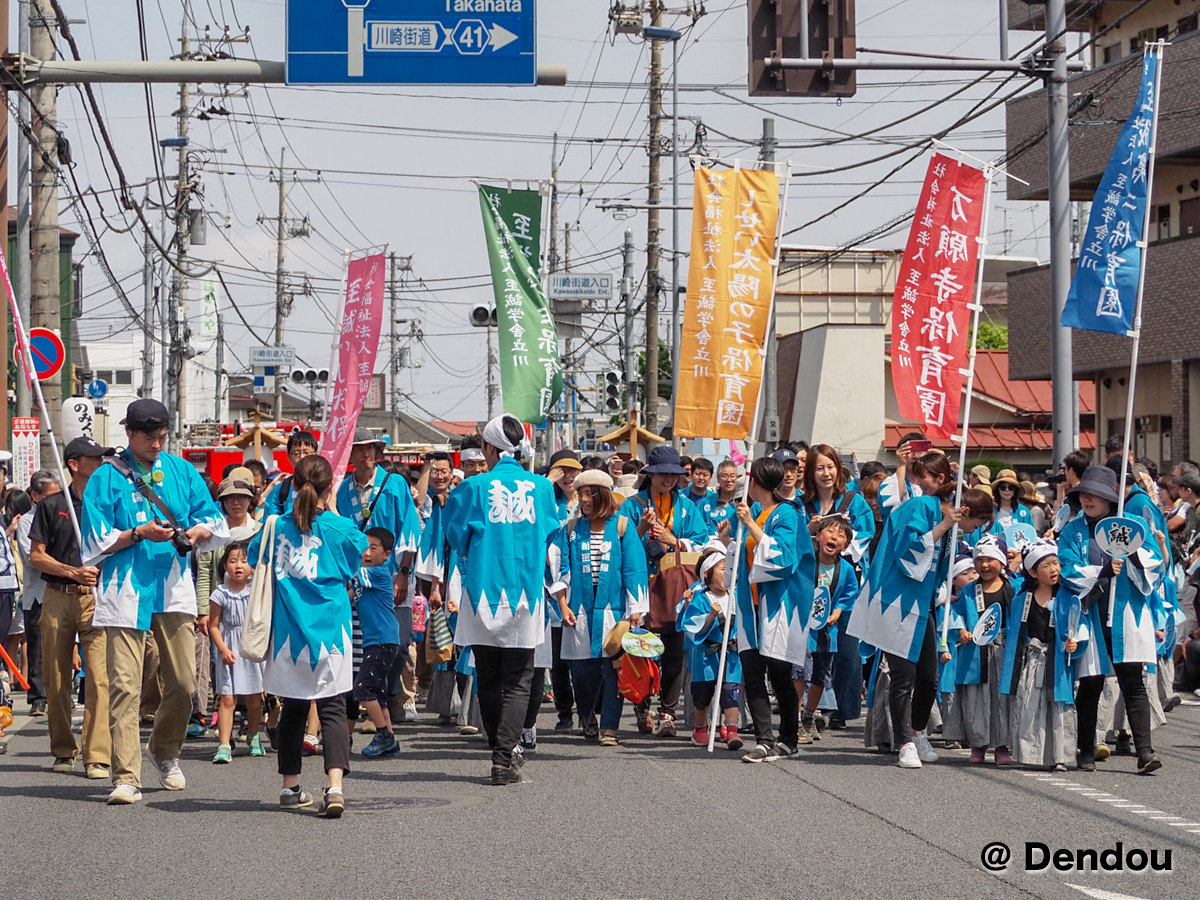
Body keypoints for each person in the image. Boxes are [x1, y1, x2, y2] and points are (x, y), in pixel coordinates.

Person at [80, 401, 230, 804]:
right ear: (128, 432)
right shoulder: (105, 479)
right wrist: (139, 532)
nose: (157, 444)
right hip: (124, 590)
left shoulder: (181, 470)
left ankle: (164, 750)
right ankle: (126, 775)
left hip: (174, 587)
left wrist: (198, 532)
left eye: (162, 436)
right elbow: (94, 538)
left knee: (183, 683)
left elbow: (214, 518)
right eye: (149, 437)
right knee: (125, 687)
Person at [847, 453, 993, 769]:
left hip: (922, 606)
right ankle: (904, 742)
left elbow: (937, 574)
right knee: (904, 675)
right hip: (895, 602)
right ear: (964, 511)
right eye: (974, 524)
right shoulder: (922, 507)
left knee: (928, 676)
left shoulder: (952, 530)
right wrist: (944, 525)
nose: (971, 531)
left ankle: (917, 731)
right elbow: (909, 554)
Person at [443, 414, 560, 785]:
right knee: (520, 677)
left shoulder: (473, 488)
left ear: (490, 449)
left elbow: (455, 535)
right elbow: (551, 534)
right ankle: (503, 756)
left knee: (489, 676)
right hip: (525, 590)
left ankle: (501, 749)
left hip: (481, 592)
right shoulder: (540, 488)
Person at [249, 454, 367, 817]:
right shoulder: (339, 529)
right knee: (331, 708)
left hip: (288, 635)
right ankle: (334, 787)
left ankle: (290, 787)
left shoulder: (276, 527)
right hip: (331, 633)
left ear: (295, 484)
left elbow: (254, 556)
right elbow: (357, 557)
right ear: (329, 487)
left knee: (293, 710)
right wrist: (329, 508)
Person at [1058, 465, 1162, 774]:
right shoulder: (1073, 530)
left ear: (1109, 498)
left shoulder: (1132, 525)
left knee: (1133, 682)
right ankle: (1085, 749)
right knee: (1090, 683)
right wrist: (1101, 572)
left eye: (1096, 495)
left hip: (1125, 613)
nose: (1089, 500)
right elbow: (1067, 567)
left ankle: (1145, 752)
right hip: (1090, 613)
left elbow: (1154, 562)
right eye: (1085, 494)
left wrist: (1132, 556)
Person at [30, 441, 116, 781]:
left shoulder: (107, 504)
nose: (101, 463)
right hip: (57, 596)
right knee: (56, 677)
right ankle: (63, 749)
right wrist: (72, 571)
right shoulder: (52, 505)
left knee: (99, 678)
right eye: (94, 458)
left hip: (97, 598)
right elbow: (36, 556)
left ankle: (97, 756)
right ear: (75, 464)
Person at [551, 469, 647, 746]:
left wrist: (636, 608)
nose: (584, 500)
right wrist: (562, 602)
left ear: (601, 495)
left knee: (613, 670)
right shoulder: (571, 530)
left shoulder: (622, 527)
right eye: (581, 494)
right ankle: (587, 717)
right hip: (579, 611)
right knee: (581, 672)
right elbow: (558, 566)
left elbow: (633, 569)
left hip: (612, 612)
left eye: (588, 494)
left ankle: (610, 728)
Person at [619, 445, 709, 737]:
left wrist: (674, 540)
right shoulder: (632, 505)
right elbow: (619, 541)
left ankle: (668, 711)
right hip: (641, 586)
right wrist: (642, 531)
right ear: (650, 475)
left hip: (675, 587)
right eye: (662, 474)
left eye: (673, 474)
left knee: (674, 650)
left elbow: (701, 541)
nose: (668, 479)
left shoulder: (687, 507)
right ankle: (642, 707)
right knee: (640, 648)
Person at [730, 457, 815, 764]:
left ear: (755, 483)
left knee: (779, 675)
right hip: (750, 603)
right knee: (752, 672)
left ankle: (789, 738)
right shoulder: (751, 512)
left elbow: (783, 558)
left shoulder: (786, 514)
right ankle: (764, 740)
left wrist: (751, 526)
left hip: (779, 604)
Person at [999, 539, 1080, 771]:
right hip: (1032, 661)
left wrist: (1076, 644)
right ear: (1033, 571)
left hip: (1057, 662)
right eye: (1046, 565)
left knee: (1058, 708)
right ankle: (1030, 753)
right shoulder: (1021, 599)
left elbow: (1079, 624)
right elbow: (1016, 635)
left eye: (1056, 563)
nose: (1054, 570)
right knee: (1030, 706)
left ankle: (1060, 756)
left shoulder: (1067, 596)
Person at [944, 535, 1014, 766]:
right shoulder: (968, 591)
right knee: (976, 699)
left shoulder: (1012, 587)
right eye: (979, 559)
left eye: (990, 559)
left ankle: (1002, 746)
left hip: (1003, 650)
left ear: (1002, 562)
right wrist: (961, 629)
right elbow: (953, 613)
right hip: (975, 651)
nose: (984, 565)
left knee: (1002, 699)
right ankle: (978, 744)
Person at [795, 514, 860, 741]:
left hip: (827, 633)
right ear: (818, 536)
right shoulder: (806, 562)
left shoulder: (847, 570)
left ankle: (808, 715)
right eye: (830, 532)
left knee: (820, 678)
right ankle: (794, 720)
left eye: (841, 535)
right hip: (804, 630)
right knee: (801, 673)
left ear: (847, 544)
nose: (834, 537)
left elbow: (850, 593)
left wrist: (838, 610)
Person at [534, 448, 582, 741]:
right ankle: (566, 713)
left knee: (585, 657)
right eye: (562, 471)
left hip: (585, 583)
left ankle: (590, 711)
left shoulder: (590, 501)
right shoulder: (545, 501)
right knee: (559, 659)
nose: (569, 476)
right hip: (552, 587)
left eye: (573, 470)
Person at [678, 544, 742, 750]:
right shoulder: (701, 598)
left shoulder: (736, 597)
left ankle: (731, 729)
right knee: (703, 693)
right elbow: (691, 626)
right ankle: (700, 728)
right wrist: (711, 617)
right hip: (706, 655)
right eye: (723, 569)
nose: (728, 574)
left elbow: (746, 621)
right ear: (708, 573)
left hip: (731, 654)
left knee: (730, 691)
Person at [207, 541, 265, 763]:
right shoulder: (220, 593)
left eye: (244, 561)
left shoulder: (256, 592)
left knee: (254, 698)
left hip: (251, 647)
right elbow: (213, 625)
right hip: (229, 648)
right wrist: (222, 648)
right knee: (227, 699)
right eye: (233, 561)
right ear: (225, 566)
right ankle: (223, 744)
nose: (239, 566)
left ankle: (252, 735)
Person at [353, 527, 403, 759]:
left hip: (382, 640)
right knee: (378, 692)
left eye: (373, 548)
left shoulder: (379, 573)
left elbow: (351, 574)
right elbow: (350, 594)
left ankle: (383, 735)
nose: (367, 552)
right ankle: (390, 739)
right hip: (378, 641)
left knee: (363, 688)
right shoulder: (366, 577)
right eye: (364, 547)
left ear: (386, 554)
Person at [15, 469, 61, 717]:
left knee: (61, 646)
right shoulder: (26, 522)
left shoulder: (64, 516)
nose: (55, 501)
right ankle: (38, 697)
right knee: (37, 647)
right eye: (50, 496)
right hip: (38, 593)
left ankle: (59, 694)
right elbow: (32, 558)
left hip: (63, 590)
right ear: (35, 495)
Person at [261, 431, 319, 516]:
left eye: (306, 453)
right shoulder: (280, 490)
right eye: (296, 454)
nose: (302, 457)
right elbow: (270, 523)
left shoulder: (325, 486)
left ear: (315, 454)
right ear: (289, 457)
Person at [989, 469, 1034, 535]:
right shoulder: (990, 510)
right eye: (1003, 487)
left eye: (1011, 487)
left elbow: (1030, 534)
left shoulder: (1024, 511)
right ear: (997, 490)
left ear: (1015, 490)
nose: (1007, 490)